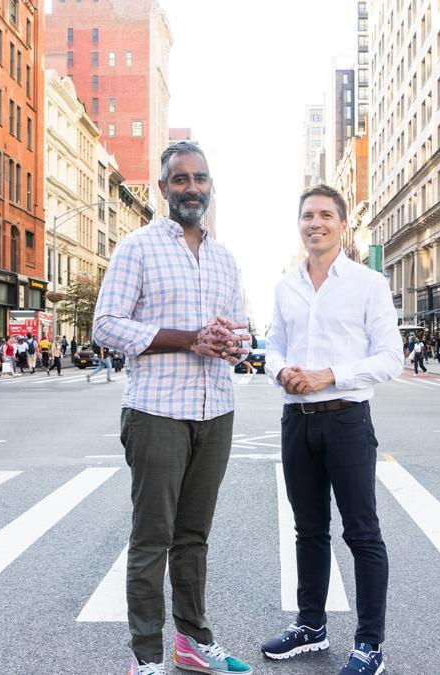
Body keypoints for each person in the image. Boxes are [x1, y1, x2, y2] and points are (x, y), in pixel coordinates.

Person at [93, 141, 252, 675]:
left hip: (216, 410)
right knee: (152, 538)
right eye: (180, 180)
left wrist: (236, 344)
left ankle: (192, 640)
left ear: (210, 186)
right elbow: (106, 325)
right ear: (163, 188)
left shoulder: (226, 257)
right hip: (157, 410)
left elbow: (241, 331)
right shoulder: (136, 248)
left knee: (194, 537)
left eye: (200, 179)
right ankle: (146, 656)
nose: (192, 188)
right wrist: (189, 339)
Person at [262, 184, 399, 675]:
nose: (314, 223)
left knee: (362, 533)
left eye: (324, 215)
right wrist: (281, 371)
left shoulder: (367, 283)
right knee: (308, 529)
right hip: (297, 421)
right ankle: (311, 625)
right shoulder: (285, 286)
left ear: (342, 225)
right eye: (306, 216)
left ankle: (369, 644)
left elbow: (390, 358)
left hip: (346, 419)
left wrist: (329, 375)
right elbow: (272, 346)